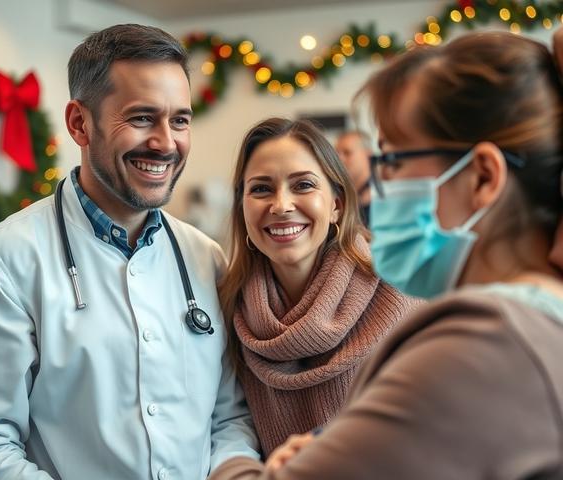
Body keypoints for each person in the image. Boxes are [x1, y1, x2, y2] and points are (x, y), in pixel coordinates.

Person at [209, 29, 563, 480]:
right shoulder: (535, 315)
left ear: (481, 178)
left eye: (394, 161)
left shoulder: (488, 338)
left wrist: (235, 464)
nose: (383, 185)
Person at [0, 24, 259, 479]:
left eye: (180, 120)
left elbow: (228, 418)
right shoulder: (3, 261)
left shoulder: (206, 258)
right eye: (142, 117)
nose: (166, 143)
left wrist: (237, 469)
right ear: (78, 124)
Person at [217, 117, 418, 457]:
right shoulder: (230, 308)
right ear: (242, 207)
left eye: (304, 185)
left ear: (337, 205)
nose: (281, 206)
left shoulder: (399, 292)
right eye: (261, 188)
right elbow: (229, 424)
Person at [335, 130, 371, 225]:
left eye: (347, 153)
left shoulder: (386, 194)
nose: (340, 159)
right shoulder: (336, 193)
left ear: (368, 155)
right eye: (337, 153)